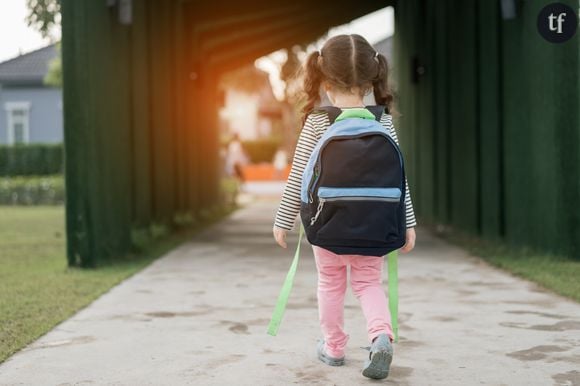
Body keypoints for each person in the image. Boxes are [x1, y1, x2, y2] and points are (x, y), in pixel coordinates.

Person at [271, 34, 417, 380]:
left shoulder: (319, 122)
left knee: (330, 285)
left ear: (323, 78)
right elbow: (400, 180)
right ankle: (380, 336)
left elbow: (298, 178)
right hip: (375, 224)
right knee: (369, 283)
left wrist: (284, 221)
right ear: (370, 80)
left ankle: (334, 347)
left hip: (328, 225)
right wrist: (407, 223)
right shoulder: (382, 121)